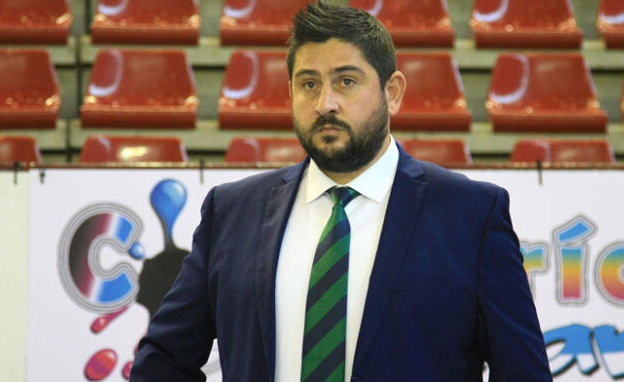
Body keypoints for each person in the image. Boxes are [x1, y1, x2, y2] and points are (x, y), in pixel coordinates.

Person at [131, 2, 551, 381]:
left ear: (393, 92)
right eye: (308, 83)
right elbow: (163, 360)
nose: (325, 103)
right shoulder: (231, 212)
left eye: (346, 81)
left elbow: (523, 372)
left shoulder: (471, 215)